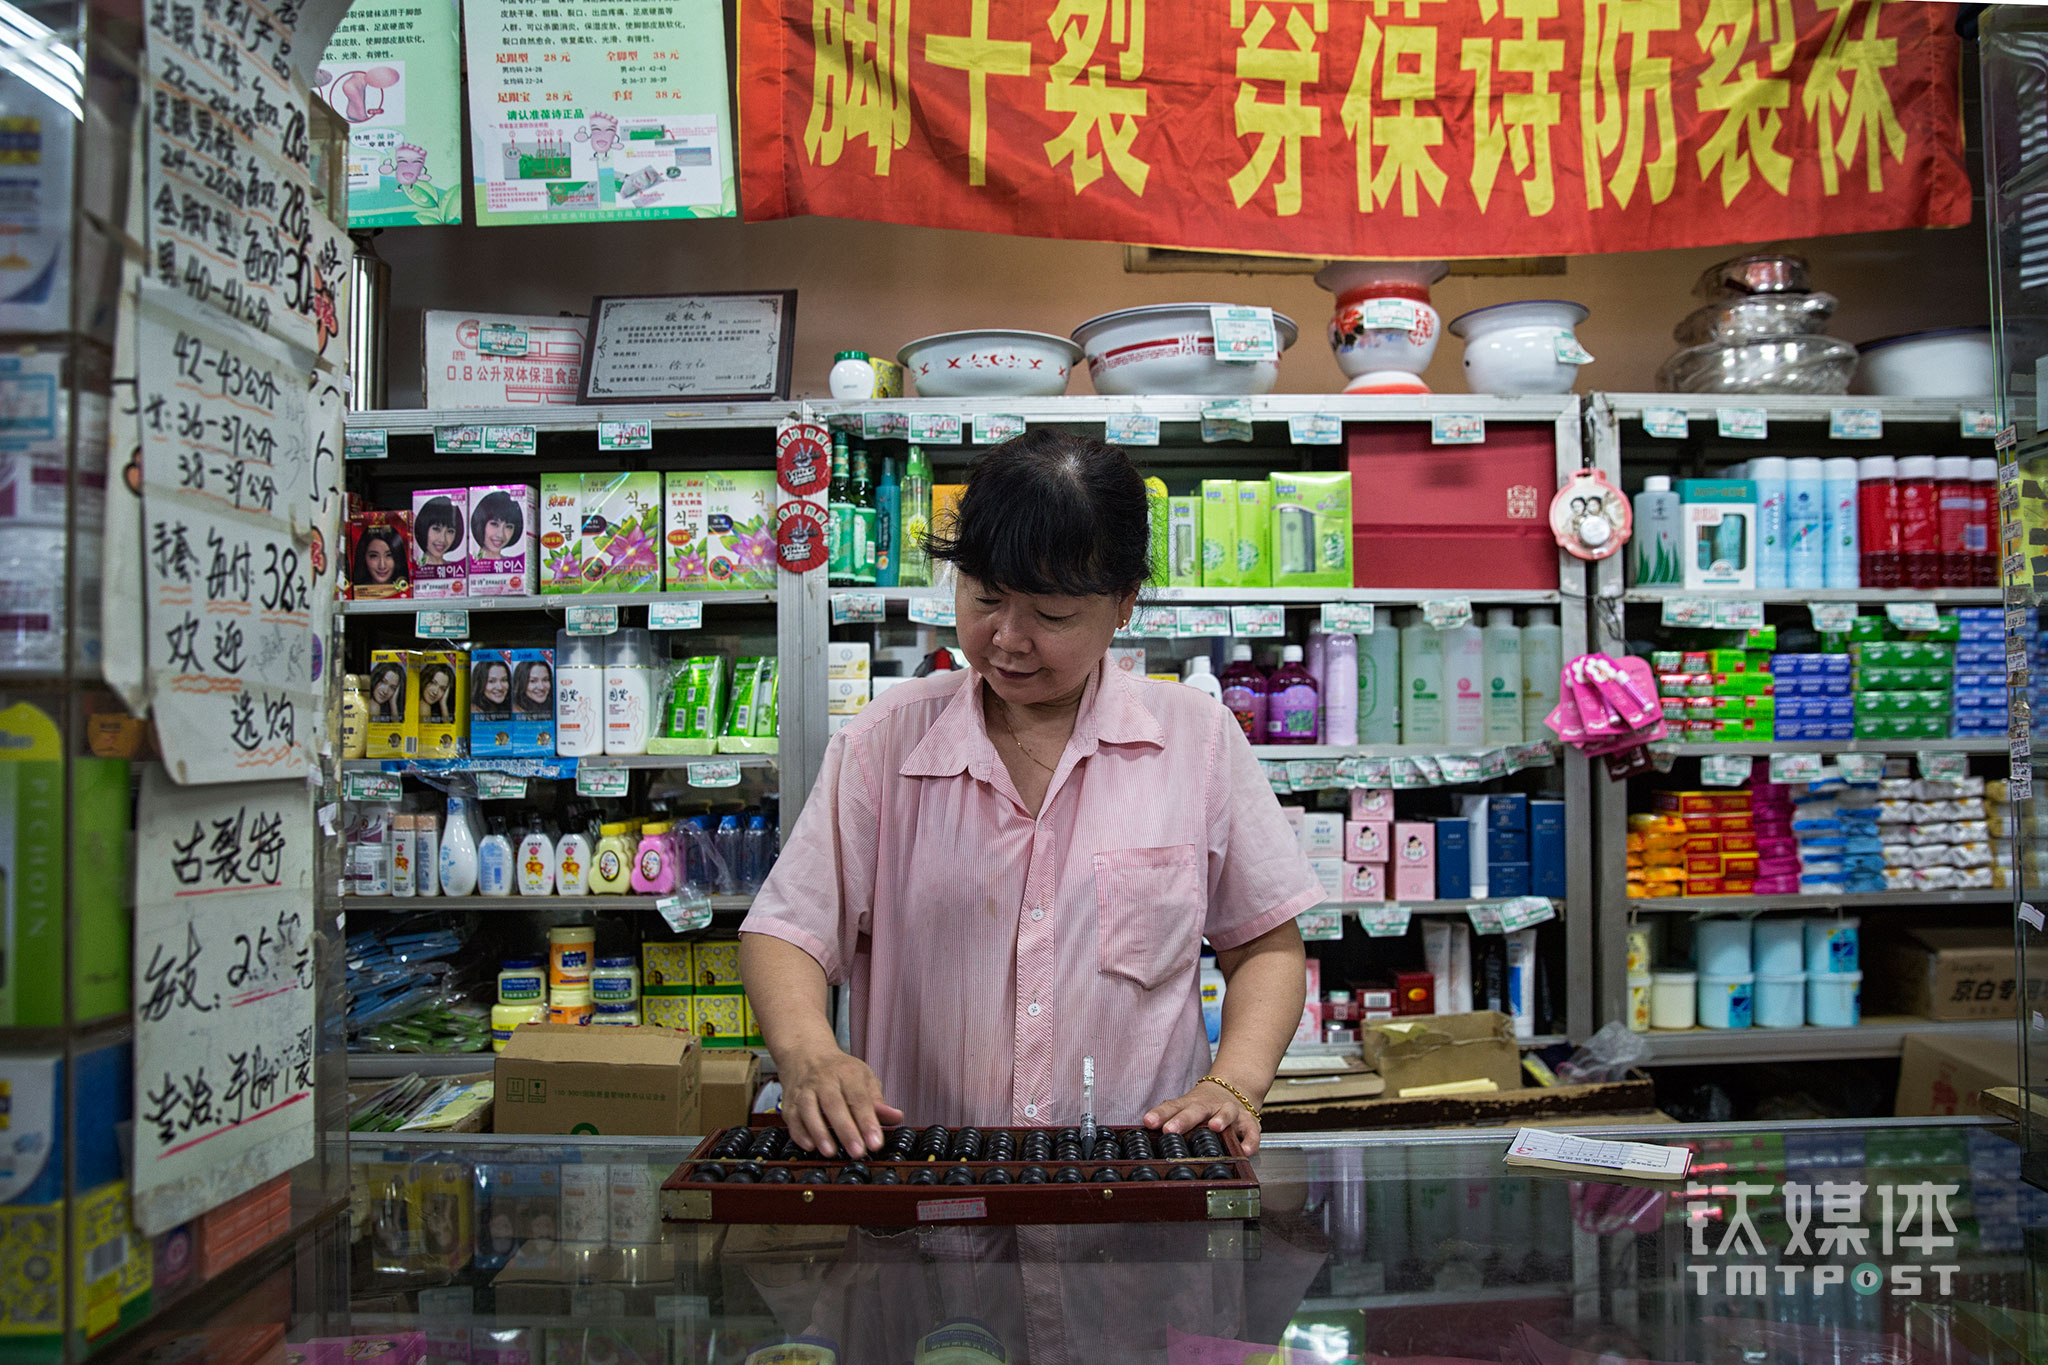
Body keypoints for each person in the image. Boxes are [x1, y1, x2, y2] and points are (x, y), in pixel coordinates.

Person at [740, 430, 1319, 1162]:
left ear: (1122, 605)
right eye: (984, 597)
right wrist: (808, 1055)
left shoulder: (1196, 740)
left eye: (1049, 615)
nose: (1007, 639)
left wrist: (1235, 1083)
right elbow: (786, 931)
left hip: (1135, 1197)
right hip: (929, 1189)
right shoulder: (886, 742)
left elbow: (1265, 945)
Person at [350, 523, 409, 596]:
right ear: (363, 557)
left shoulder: (406, 591)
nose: (382, 566)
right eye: (374, 556)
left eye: (389, 555)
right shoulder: (355, 593)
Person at [471, 490, 525, 558]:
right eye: (494, 524)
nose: (500, 535)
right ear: (481, 524)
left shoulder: (514, 564)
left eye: (508, 527)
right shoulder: (469, 564)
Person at [414, 497, 463, 566]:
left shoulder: (457, 568)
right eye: (436, 529)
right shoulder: (415, 570)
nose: (442, 539)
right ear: (423, 528)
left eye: (450, 531)